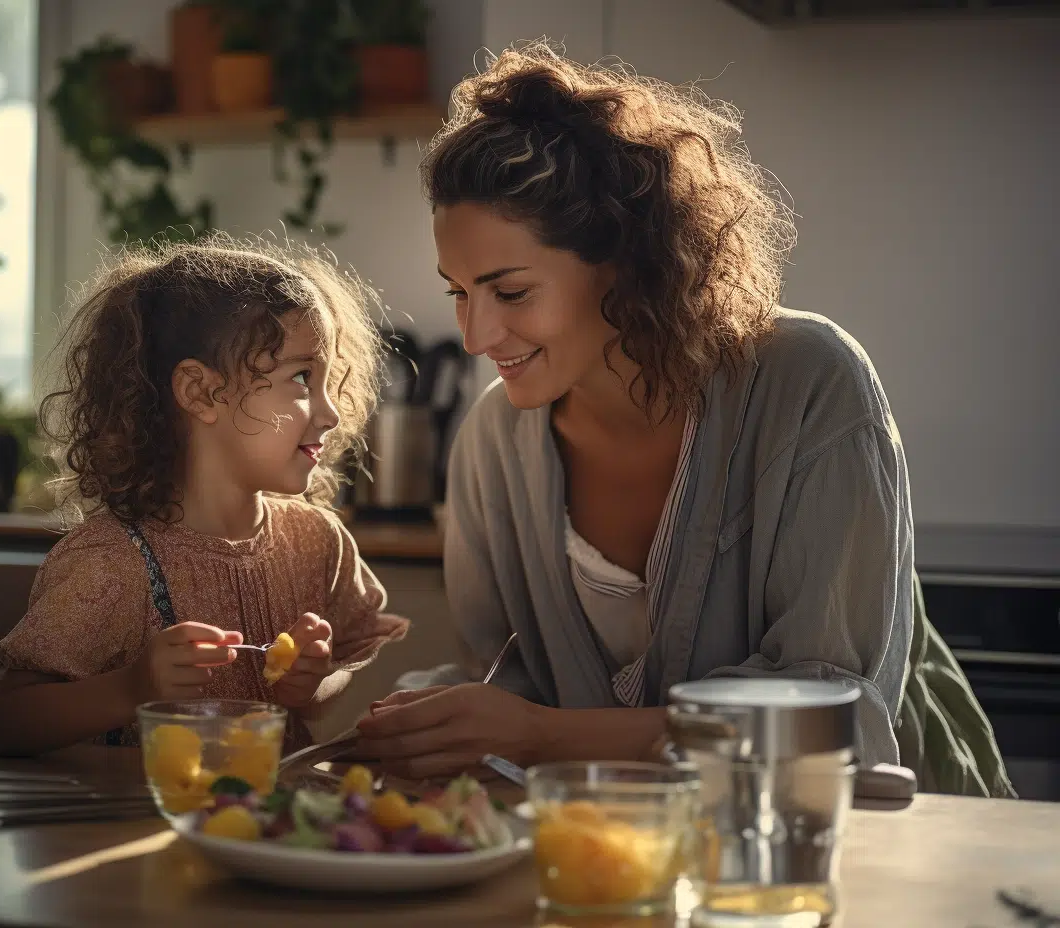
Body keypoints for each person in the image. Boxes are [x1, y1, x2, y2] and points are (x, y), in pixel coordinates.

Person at [356, 43, 1014, 798]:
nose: (475, 337)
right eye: (457, 294)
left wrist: (542, 736)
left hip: (846, 857)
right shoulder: (490, 443)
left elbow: (831, 721)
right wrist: (427, 716)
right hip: (616, 867)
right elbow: (505, 683)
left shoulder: (809, 383)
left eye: (509, 293)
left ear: (625, 264)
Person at [0, 235, 408, 757]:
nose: (331, 412)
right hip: (135, 831)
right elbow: (5, 721)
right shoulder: (114, 565)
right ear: (201, 393)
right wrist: (131, 688)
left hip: (267, 830)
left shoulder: (317, 542)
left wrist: (314, 683)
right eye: (301, 378)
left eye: (325, 380)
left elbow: (339, 669)